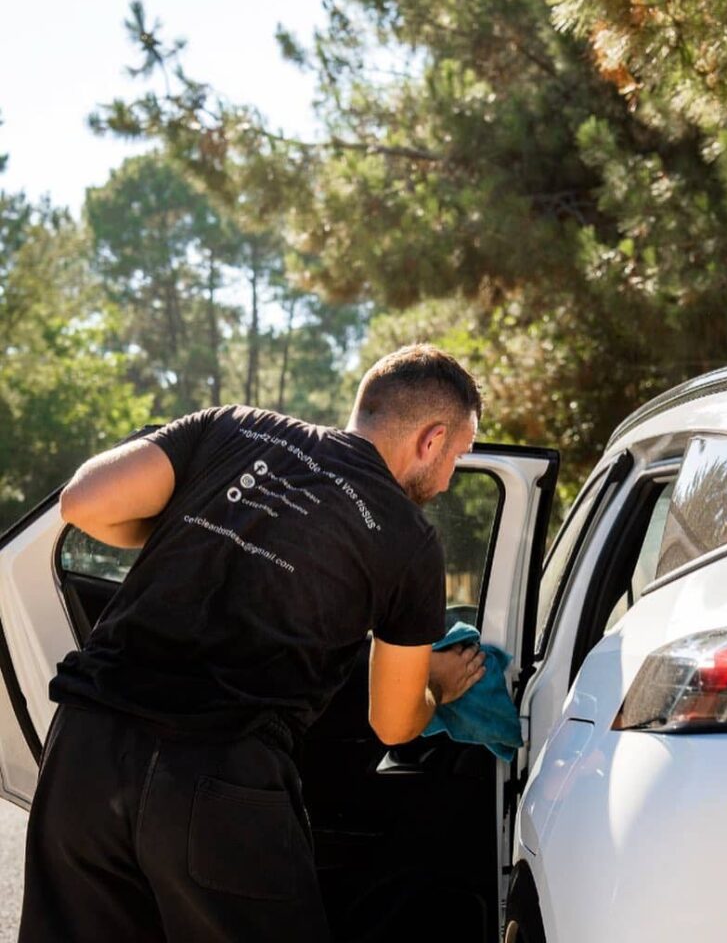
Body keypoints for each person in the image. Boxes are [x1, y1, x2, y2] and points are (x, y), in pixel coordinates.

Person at [18, 344, 487, 943]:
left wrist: (183, 529)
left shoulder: (235, 425)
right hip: (218, 777)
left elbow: (81, 502)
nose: (449, 479)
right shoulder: (408, 538)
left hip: (86, 749)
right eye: (458, 456)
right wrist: (438, 685)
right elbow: (393, 724)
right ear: (432, 439)